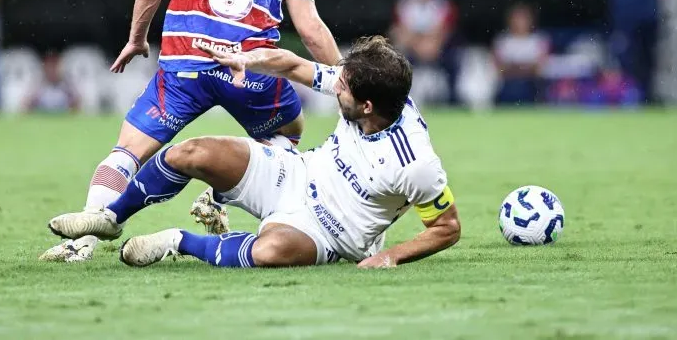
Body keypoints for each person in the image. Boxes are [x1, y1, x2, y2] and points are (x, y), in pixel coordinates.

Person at [40, 0, 341, 263]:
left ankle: (83, 242)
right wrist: (345, 77)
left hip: (184, 63)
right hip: (247, 69)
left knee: (127, 151)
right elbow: (310, 28)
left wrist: (136, 38)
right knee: (286, 134)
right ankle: (225, 194)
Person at [48, 36, 460, 269]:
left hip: (328, 233)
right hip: (298, 173)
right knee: (192, 152)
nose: (337, 87)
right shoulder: (367, 89)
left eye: (344, 88)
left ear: (367, 106)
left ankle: (177, 241)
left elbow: (447, 227)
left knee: (269, 251)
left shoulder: (416, 163)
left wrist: (390, 256)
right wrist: (248, 58)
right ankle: (110, 218)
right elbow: (292, 64)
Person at [493, 4, 549, 106]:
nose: (519, 22)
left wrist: (513, 67)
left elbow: (539, 68)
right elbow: (499, 69)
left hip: (531, 87)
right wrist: (525, 66)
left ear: (530, 20)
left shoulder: (538, 40)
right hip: (507, 87)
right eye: (516, 18)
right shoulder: (503, 40)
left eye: (523, 19)